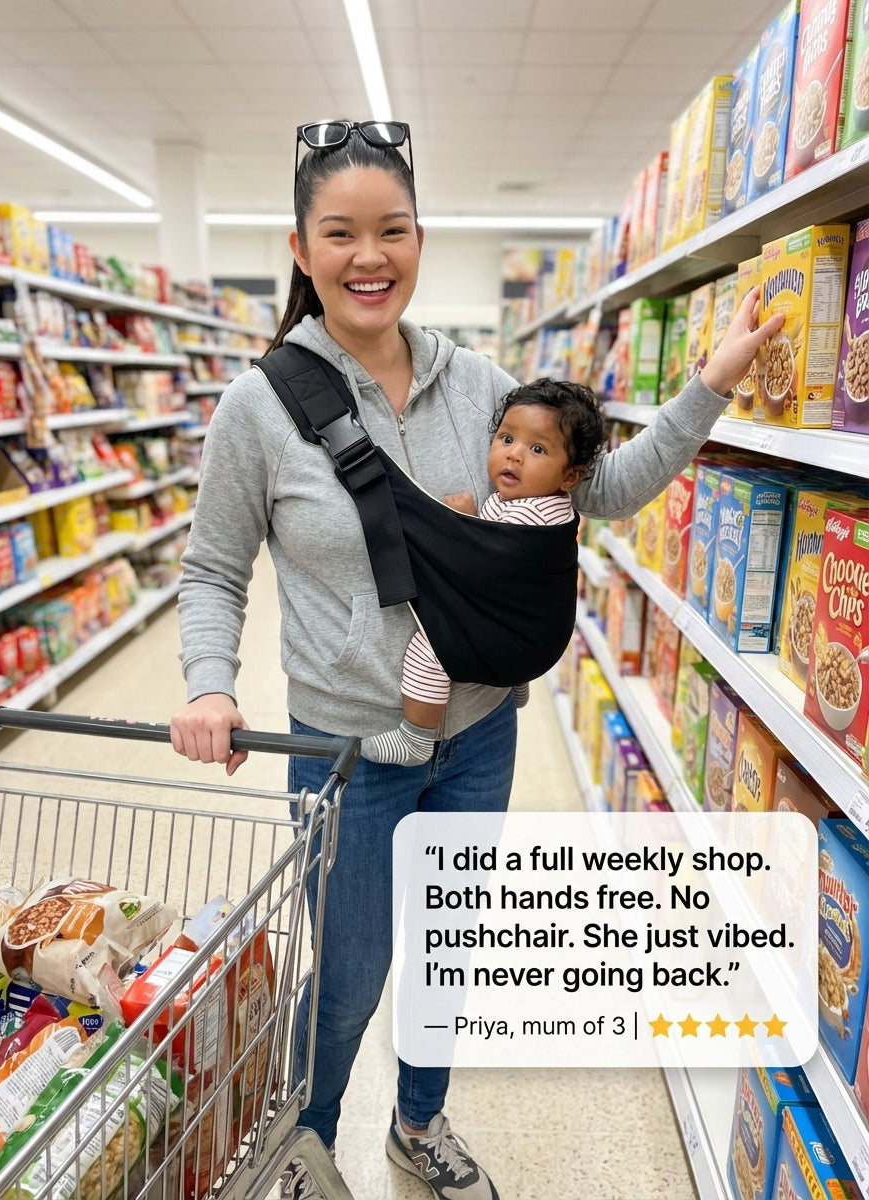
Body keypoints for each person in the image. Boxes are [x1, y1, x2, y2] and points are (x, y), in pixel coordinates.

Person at [170, 118, 784, 1200]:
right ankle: (305, 1147)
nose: (370, 256)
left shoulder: (482, 387)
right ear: (300, 249)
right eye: (340, 233)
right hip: (346, 754)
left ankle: (418, 1124)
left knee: (448, 958)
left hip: (477, 737)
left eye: (392, 229)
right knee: (350, 976)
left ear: (420, 238)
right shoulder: (258, 409)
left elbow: (600, 490)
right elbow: (213, 570)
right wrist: (208, 684)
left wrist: (710, 385)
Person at [362, 376, 605, 767]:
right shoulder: (549, 506)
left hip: (511, 641)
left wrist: (462, 524)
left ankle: (416, 737)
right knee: (512, 609)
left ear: (570, 476)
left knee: (431, 645)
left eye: (537, 448)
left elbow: (479, 570)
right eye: (507, 439)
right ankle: (514, 683)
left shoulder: (526, 512)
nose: (515, 455)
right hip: (531, 639)